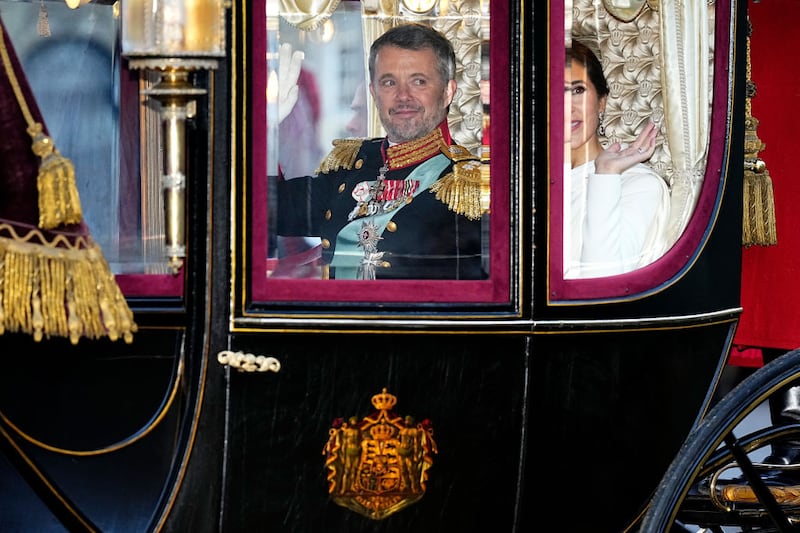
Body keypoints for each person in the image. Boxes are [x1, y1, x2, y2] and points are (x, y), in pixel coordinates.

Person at [275, 23, 486, 280]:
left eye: (419, 81)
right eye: (389, 82)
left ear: (447, 92)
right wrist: (266, 128)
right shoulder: (352, 164)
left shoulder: (471, 186)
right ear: (374, 93)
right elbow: (271, 211)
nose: (403, 96)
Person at [563, 40, 670, 279]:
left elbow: (601, 282)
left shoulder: (639, 184)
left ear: (602, 102)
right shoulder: (520, 187)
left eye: (578, 90)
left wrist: (606, 175)